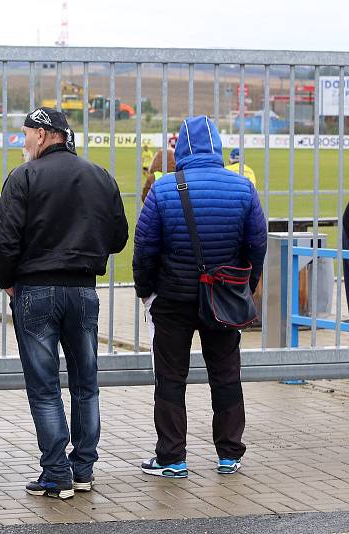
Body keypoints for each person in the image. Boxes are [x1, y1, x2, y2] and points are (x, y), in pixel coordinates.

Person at [0, 107, 128, 500]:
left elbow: (1, 237)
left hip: (35, 291)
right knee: (86, 385)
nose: (23, 142)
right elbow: (118, 237)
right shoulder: (100, 175)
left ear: (45, 135)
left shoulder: (24, 177)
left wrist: (7, 280)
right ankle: (83, 469)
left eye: (26, 134)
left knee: (45, 388)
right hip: (83, 290)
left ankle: (55, 473)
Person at [133, 116, 267, 479]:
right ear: (218, 147)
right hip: (223, 296)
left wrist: (146, 290)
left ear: (182, 149)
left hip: (173, 300)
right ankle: (228, 453)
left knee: (171, 377)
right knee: (225, 374)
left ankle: (172, 458)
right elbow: (257, 244)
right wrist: (245, 284)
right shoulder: (243, 188)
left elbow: (144, 248)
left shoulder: (163, 190)